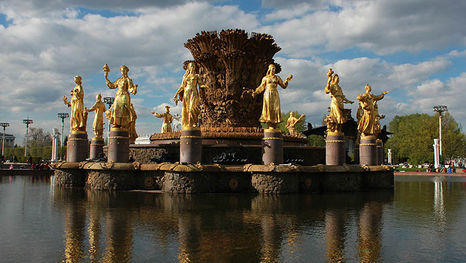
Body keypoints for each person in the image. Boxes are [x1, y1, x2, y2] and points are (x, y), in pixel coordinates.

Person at [252, 64, 293, 129]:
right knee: (268, 108)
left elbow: (283, 86)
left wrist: (287, 80)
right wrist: (256, 92)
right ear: (269, 69)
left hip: (275, 94)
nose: (274, 70)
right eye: (273, 68)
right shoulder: (265, 78)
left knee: (275, 108)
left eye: (274, 69)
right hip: (268, 94)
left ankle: (274, 124)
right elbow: (261, 87)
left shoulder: (277, 78)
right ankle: (269, 123)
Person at [104, 64, 138, 130]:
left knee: (123, 108)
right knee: (116, 108)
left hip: (125, 95)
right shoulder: (119, 80)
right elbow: (112, 85)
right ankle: (116, 124)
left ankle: (123, 124)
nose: (123, 72)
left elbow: (130, 89)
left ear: (126, 71)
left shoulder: (128, 80)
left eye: (124, 70)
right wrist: (106, 77)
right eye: (122, 71)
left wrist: (134, 89)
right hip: (118, 95)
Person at [173, 62, 205, 129]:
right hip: (187, 93)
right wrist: (176, 94)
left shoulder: (197, 76)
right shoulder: (185, 76)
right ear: (189, 68)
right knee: (186, 109)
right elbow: (182, 86)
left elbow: (201, 84)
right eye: (191, 66)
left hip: (194, 93)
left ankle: (193, 123)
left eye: (193, 66)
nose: (193, 67)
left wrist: (206, 86)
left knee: (193, 108)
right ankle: (188, 124)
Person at [324, 68, 353, 134]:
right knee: (337, 116)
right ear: (334, 79)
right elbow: (327, 90)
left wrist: (349, 101)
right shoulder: (332, 86)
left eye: (339, 78)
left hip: (341, 102)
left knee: (341, 116)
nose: (338, 79)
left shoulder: (339, 87)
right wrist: (329, 80)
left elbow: (343, 96)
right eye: (337, 78)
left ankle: (338, 129)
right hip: (335, 101)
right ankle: (335, 129)